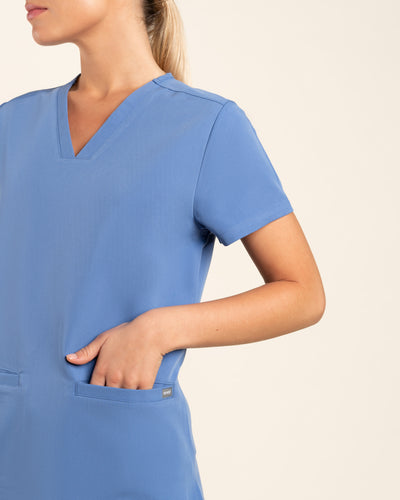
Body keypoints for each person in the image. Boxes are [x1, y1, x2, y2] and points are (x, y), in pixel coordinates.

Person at [0, 1, 325, 499]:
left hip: (132, 467)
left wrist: (159, 331)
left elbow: (303, 293)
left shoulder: (206, 126)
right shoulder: (12, 125)